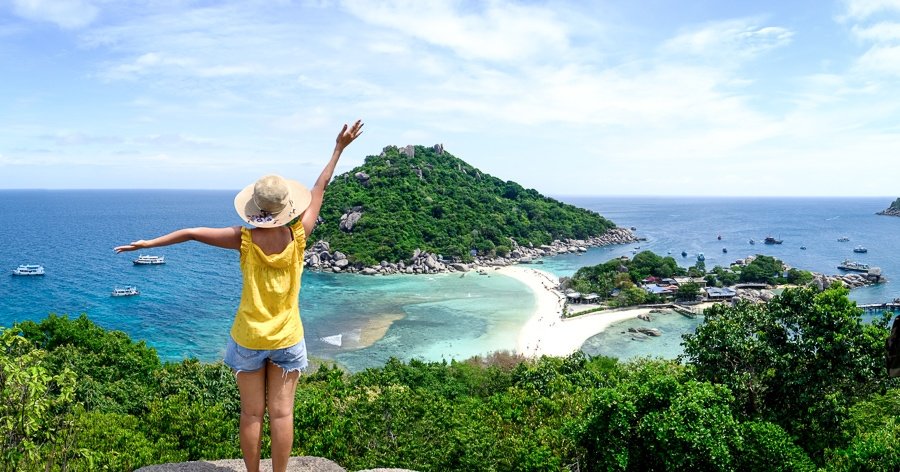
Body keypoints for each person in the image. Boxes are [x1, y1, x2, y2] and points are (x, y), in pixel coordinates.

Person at [114, 120, 364, 472]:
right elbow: (320, 186)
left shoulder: (244, 239)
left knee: (250, 413)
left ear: (257, 207)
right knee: (282, 414)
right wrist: (339, 148)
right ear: (287, 207)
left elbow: (191, 233)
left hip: (247, 337)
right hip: (288, 337)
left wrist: (148, 243)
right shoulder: (300, 235)